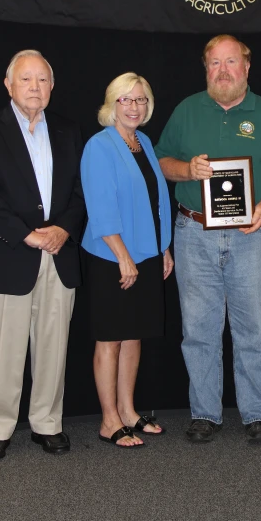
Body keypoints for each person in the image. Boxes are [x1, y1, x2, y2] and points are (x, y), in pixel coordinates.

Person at [155, 34, 261, 443]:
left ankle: (257, 412)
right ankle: (205, 412)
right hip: (193, 233)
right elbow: (160, 160)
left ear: (246, 66)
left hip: (252, 237)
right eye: (214, 64)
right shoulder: (187, 110)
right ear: (206, 69)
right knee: (199, 329)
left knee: (251, 328)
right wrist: (187, 170)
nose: (223, 71)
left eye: (231, 62)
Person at [0, 49, 85, 461]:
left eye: (43, 80)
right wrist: (27, 235)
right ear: (9, 85)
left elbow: (80, 193)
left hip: (58, 254)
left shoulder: (69, 131)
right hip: (8, 254)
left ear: (52, 87)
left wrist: (63, 229)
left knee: (54, 345)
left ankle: (47, 423)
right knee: (4, 349)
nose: (35, 87)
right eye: (26, 79)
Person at [81, 73, 173, 448]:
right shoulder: (99, 147)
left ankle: (129, 412)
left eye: (140, 100)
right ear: (111, 105)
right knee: (111, 339)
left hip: (147, 254)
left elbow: (155, 202)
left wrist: (163, 248)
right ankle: (108, 420)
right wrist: (123, 257)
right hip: (112, 258)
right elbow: (101, 209)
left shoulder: (144, 142)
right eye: (126, 100)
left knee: (133, 336)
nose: (134, 107)